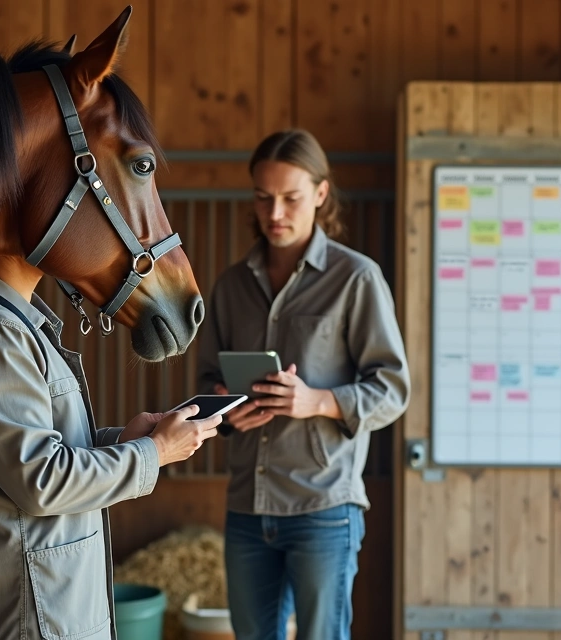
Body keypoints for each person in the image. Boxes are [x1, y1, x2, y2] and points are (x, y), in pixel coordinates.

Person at [0, 255, 222, 640]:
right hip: (33, 621)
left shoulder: (15, 322)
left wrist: (126, 442)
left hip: (52, 613)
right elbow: (41, 479)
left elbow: (46, 450)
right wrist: (156, 452)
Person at [195, 129, 411, 640]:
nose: (275, 213)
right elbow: (208, 380)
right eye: (263, 197)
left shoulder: (357, 279)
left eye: (290, 198)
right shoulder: (230, 286)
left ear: (320, 193)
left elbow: (394, 389)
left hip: (325, 509)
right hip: (247, 505)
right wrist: (225, 412)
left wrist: (319, 400)